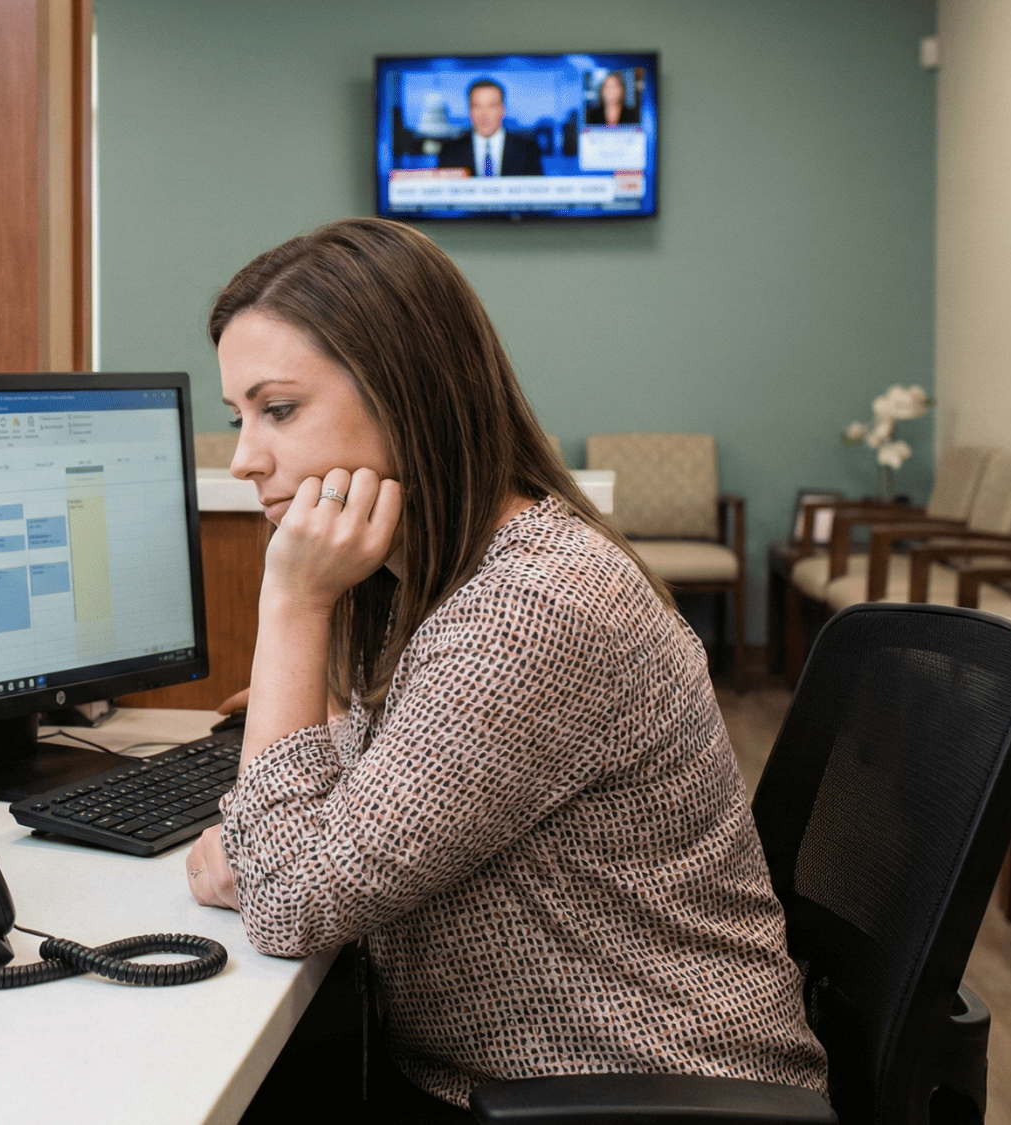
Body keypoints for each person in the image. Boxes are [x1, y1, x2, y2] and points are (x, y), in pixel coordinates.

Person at [183, 218, 827, 1112]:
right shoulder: (438, 574)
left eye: (278, 409)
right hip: (519, 1079)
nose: (246, 457)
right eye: (237, 417)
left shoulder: (534, 606)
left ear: (407, 391)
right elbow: (367, 808)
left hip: (627, 1090)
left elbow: (289, 897)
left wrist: (290, 604)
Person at [434, 78, 544, 177]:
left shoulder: (527, 150)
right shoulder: (451, 151)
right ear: (469, 111)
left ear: (503, 110)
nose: (484, 114)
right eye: (477, 106)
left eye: (491, 106)